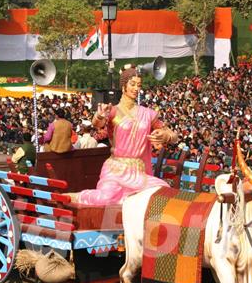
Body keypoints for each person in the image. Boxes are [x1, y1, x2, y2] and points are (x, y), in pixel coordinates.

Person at [75, 66, 178, 205]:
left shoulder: (147, 114)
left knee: (162, 194)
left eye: (139, 85)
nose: (136, 88)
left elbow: (172, 134)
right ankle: (76, 197)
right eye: (133, 84)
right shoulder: (113, 112)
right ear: (123, 86)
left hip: (139, 173)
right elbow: (97, 124)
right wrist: (99, 115)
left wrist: (166, 136)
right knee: (107, 198)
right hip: (115, 171)